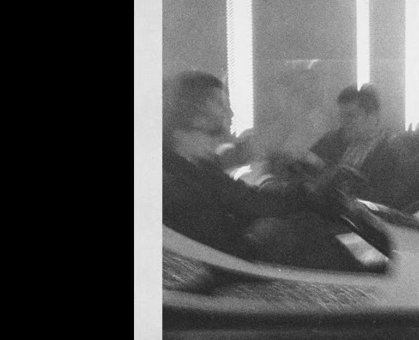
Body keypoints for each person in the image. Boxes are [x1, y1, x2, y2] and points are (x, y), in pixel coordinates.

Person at [163, 71, 363, 271]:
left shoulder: (201, 167)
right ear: (194, 115)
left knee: (306, 224)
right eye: (220, 105)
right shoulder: (170, 183)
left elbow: (250, 201)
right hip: (229, 276)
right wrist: (258, 237)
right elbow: (215, 252)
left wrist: (307, 193)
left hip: (239, 264)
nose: (229, 113)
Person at [305, 84, 403, 205]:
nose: (343, 122)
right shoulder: (332, 140)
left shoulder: (390, 151)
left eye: (350, 116)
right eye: (341, 116)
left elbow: (383, 199)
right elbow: (306, 168)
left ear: (372, 116)